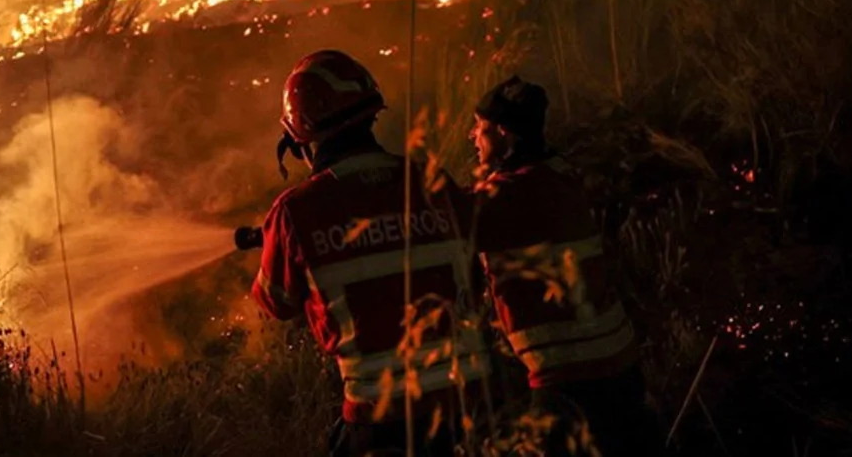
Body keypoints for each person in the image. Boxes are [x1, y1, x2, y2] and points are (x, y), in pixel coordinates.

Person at [251, 50, 489, 457]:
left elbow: (277, 302)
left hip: (380, 422)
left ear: (301, 136)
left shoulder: (296, 211)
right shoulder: (433, 182)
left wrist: (282, 243)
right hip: (469, 409)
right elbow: (476, 273)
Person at [467, 75, 663, 456]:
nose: (473, 137)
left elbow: (445, 224)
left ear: (504, 133)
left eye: (481, 127)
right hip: (618, 368)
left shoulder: (514, 195)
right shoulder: (558, 173)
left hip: (571, 379)